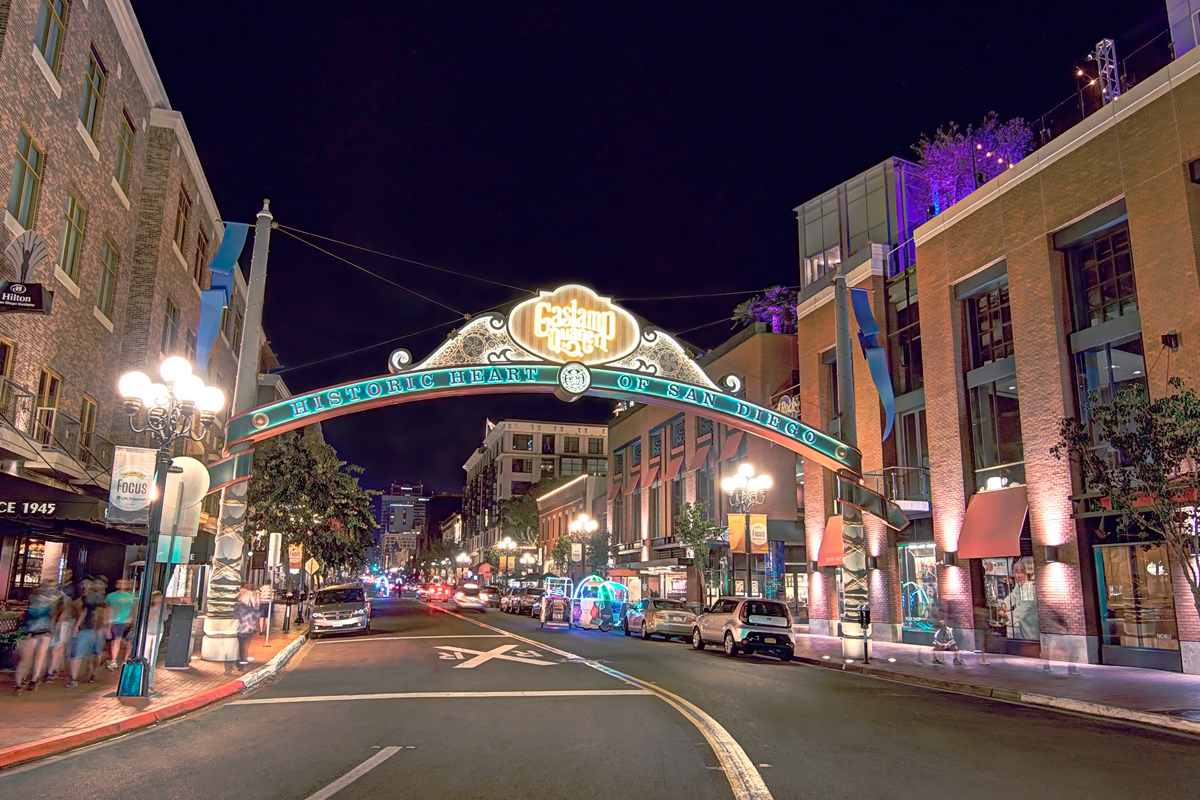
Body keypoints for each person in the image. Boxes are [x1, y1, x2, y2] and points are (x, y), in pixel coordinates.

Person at [14, 579, 62, 693]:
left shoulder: (54, 600)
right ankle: (19, 682)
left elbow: (54, 614)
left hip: (45, 630)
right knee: (27, 657)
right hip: (31, 630)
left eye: (52, 587)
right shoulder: (34, 598)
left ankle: (34, 680)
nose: (49, 589)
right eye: (47, 586)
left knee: (40, 655)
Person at [67, 578, 108, 688]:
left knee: (95, 654)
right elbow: (84, 611)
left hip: (98, 629)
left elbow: (105, 613)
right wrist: (77, 625)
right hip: (87, 628)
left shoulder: (104, 599)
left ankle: (93, 673)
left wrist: (105, 627)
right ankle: (73, 678)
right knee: (78, 653)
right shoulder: (86, 598)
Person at [48, 570, 79, 681]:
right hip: (56, 620)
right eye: (64, 573)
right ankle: (55, 667)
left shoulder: (70, 590)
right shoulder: (58, 589)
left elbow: (69, 606)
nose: (65, 576)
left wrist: (60, 619)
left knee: (58, 645)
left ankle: (52, 670)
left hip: (64, 621)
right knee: (57, 646)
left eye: (68, 574)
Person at [999, 559, 1039, 640]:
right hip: (1023, 629)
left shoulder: (1029, 588)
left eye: (1021, 572)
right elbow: (1013, 596)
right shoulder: (1019, 585)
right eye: (1016, 572)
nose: (1019, 575)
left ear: (1026, 573)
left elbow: (1021, 612)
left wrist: (1006, 615)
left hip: (1032, 630)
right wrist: (1005, 605)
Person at [105, 579, 137, 670]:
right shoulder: (110, 596)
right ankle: (114, 660)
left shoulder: (130, 596)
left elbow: (133, 608)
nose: (122, 585)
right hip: (115, 621)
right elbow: (107, 608)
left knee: (125, 641)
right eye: (119, 583)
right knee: (115, 640)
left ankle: (123, 659)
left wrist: (131, 619)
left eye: (124, 583)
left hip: (126, 621)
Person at [234, 586, 258, 668]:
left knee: (239, 644)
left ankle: (240, 659)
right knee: (245, 645)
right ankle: (243, 659)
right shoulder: (249, 594)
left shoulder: (236, 607)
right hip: (247, 627)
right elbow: (255, 607)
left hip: (239, 627)